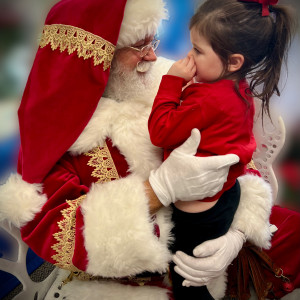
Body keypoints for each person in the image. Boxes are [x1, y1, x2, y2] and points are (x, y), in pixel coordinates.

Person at [0, 0, 275, 299]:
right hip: (122, 283)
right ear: (98, 56)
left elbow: (232, 147)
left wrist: (236, 232)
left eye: (152, 42)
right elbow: (57, 233)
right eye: (140, 47)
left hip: (208, 245)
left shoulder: (174, 79)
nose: (154, 56)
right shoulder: (54, 130)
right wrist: (158, 190)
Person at [148, 0, 295, 298]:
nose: (189, 56)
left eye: (199, 51)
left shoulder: (207, 101)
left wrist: (172, 83)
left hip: (197, 215)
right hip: (228, 194)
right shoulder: (237, 89)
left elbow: (159, 131)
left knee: (187, 281)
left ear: (235, 61)